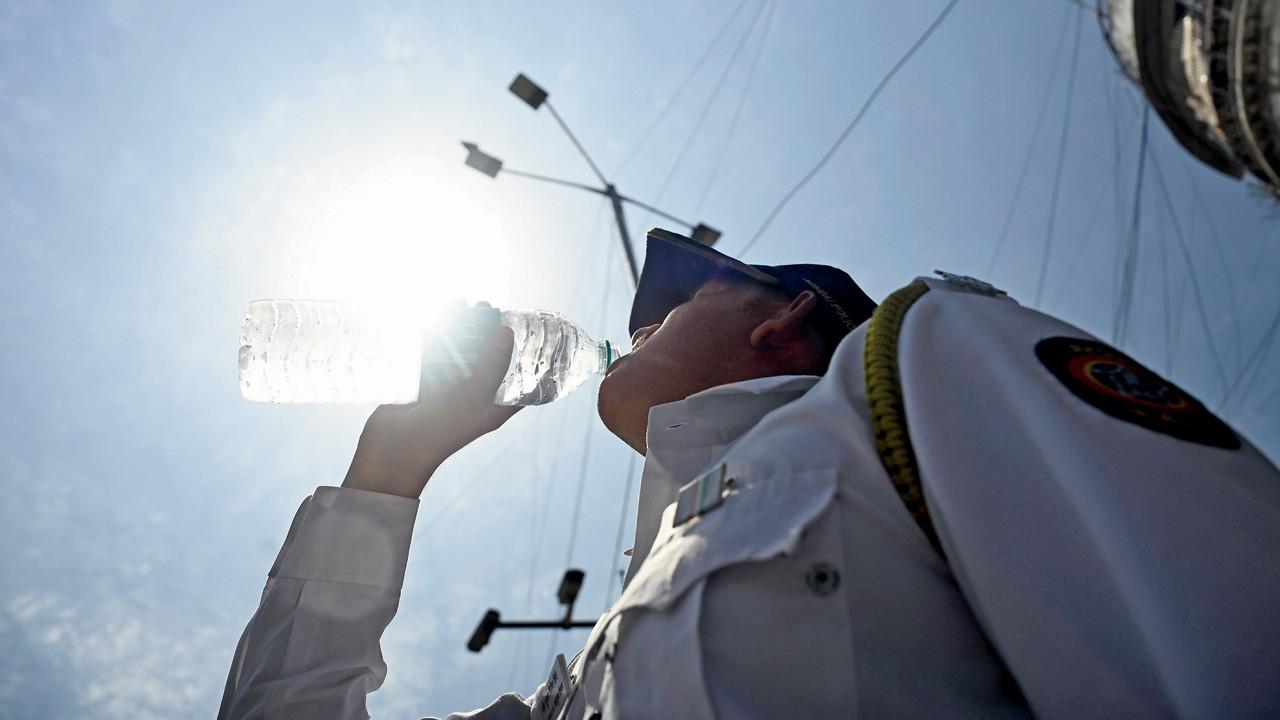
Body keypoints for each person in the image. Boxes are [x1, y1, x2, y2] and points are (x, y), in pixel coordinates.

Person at [219, 228, 1280, 719]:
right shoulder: (582, 679)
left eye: (673, 307)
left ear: (780, 323)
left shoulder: (918, 374)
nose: (637, 328)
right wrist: (389, 470)